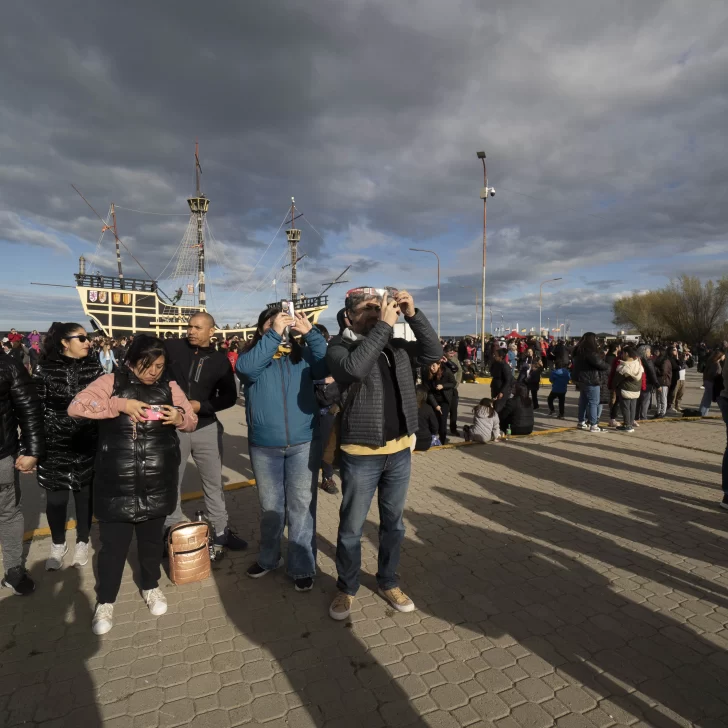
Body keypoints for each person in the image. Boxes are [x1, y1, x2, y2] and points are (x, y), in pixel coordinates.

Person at [68, 335, 197, 634]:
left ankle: (150, 586)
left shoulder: (170, 386)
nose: (154, 372)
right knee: (113, 547)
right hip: (117, 481)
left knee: (151, 543)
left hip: (157, 479)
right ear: (130, 361)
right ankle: (105, 601)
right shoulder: (110, 381)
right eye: (147, 365)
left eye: (160, 366)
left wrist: (179, 416)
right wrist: (120, 405)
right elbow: (76, 407)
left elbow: (191, 420)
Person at [326, 288, 441, 620]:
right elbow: (355, 369)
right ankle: (346, 588)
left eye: (380, 307)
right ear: (350, 316)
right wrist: (383, 327)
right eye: (368, 309)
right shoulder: (339, 347)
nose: (377, 312)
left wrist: (413, 314)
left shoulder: (396, 346)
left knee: (394, 524)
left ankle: (388, 580)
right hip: (361, 454)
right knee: (351, 527)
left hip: (399, 452)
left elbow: (433, 352)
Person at [236, 307, 328, 591]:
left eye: (283, 322)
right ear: (263, 327)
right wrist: (274, 333)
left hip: (303, 443)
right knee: (271, 507)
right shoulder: (250, 355)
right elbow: (246, 370)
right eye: (272, 322)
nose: (280, 326)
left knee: (301, 506)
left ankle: (301, 565)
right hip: (265, 446)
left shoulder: (301, 356)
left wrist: (309, 333)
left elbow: (326, 365)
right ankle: (269, 557)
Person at [164, 312, 247, 553]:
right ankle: (172, 533)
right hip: (173, 427)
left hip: (206, 427)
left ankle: (221, 531)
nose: (191, 331)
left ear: (212, 331)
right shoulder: (172, 348)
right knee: (171, 482)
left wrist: (204, 406)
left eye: (198, 328)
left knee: (213, 483)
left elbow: (230, 397)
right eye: (189, 327)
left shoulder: (220, 361)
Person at [33, 323, 103, 570]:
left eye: (88, 338)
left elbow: (105, 404)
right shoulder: (44, 369)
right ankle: (57, 543)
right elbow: (34, 410)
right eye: (82, 338)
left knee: (84, 496)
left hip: (87, 441)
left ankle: (83, 541)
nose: (88, 342)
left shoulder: (95, 367)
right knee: (55, 500)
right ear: (64, 342)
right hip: (54, 443)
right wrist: (32, 448)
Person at [0, 351, 44, 595]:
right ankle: (14, 572)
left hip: (3, 457)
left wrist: (31, 450)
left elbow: (29, 409)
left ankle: (15, 571)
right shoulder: (8, 364)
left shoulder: (7, 365)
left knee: (9, 513)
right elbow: (29, 409)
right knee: (8, 514)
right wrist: (32, 450)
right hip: (3, 456)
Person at [572, 332, 608, 432]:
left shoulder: (578, 351)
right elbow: (600, 364)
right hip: (591, 379)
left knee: (583, 401)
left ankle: (581, 422)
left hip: (581, 379)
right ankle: (594, 425)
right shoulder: (590, 352)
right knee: (594, 402)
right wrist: (609, 366)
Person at [424, 360, 456, 446]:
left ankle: (442, 440)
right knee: (432, 419)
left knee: (442, 419)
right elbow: (429, 392)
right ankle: (430, 438)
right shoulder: (427, 374)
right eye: (430, 366)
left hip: (445, 399)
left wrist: (443, 386)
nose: (431, 368)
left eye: (433, 366)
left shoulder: (446, 372)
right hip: (433, 399)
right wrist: (436, 405)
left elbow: (453, 383)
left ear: (439, 365)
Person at [615, 345, 644, 433]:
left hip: (625, 390)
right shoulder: (639, 365)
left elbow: (616, 380)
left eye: (623, 353)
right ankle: (630, 424)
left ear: (627, 354)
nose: (622, 355)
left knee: (626, 408)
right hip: (636, 390)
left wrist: (614, 387)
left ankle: (627, 425)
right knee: (633, 407)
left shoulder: (624, 367)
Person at [637, 345, 659, 422]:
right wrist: (657, 384)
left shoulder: (637, 360)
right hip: (646, 383)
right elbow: (652, 373)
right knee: (645, 401)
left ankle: (636, 417)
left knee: (638, 402)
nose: (650, 353)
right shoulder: (648, 361)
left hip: (637, 383)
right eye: (649, 352)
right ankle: (643, 417)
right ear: (645, 352)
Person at [699, 349, 724, 416]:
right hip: (711, 383)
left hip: (707, 381)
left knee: (706, 398)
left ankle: (702, 412)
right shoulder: (716, 365)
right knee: (709, 399)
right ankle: (703, 413)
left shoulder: (711, 362)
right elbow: (715, 376)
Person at [415, 384, 439, 451]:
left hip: (410, 442)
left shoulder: (408, 408)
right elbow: (435, 427)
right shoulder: (428, 408)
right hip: (425, 442)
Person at [490, 348, 513, 413]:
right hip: (495, 387)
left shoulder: (505, 366)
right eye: (494, 355)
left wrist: (502, 392)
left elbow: (508, 380)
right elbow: (492, 373)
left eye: (496, 355)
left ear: (501, 357)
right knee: (494, 406)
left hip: (501, 389)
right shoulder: (495, 364)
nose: (494, 356)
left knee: (499, 408)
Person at [445, 350, 462, 437]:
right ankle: (442, 430)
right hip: (443, 389)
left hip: (453, 388)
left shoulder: (455, 360)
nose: (452, 355)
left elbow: (459, 371)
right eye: (450, 353)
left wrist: (458, 382)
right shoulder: (442, 360)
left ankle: (453, 429)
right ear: (445, 352)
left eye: (453, 353)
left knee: (454, 410)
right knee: (444, 411)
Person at [547, 354, 570, 419]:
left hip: (555, 389)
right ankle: (561, 414)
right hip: (563, 389)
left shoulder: (554, 372)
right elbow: (568, 379)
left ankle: (552, 409)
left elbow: (551, 380)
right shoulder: (566, 372)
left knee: (550, 399)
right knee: (561, 402)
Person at [653, 346, 672, 419]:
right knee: (658, 397)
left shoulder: (665, 361)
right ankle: (658, 411)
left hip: (664, 381)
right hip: (658, 381)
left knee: (663, 397)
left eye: (658, 351)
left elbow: (663, 372)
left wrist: (655, 368)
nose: (656, 353)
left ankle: (663, 412)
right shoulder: (658, 359)